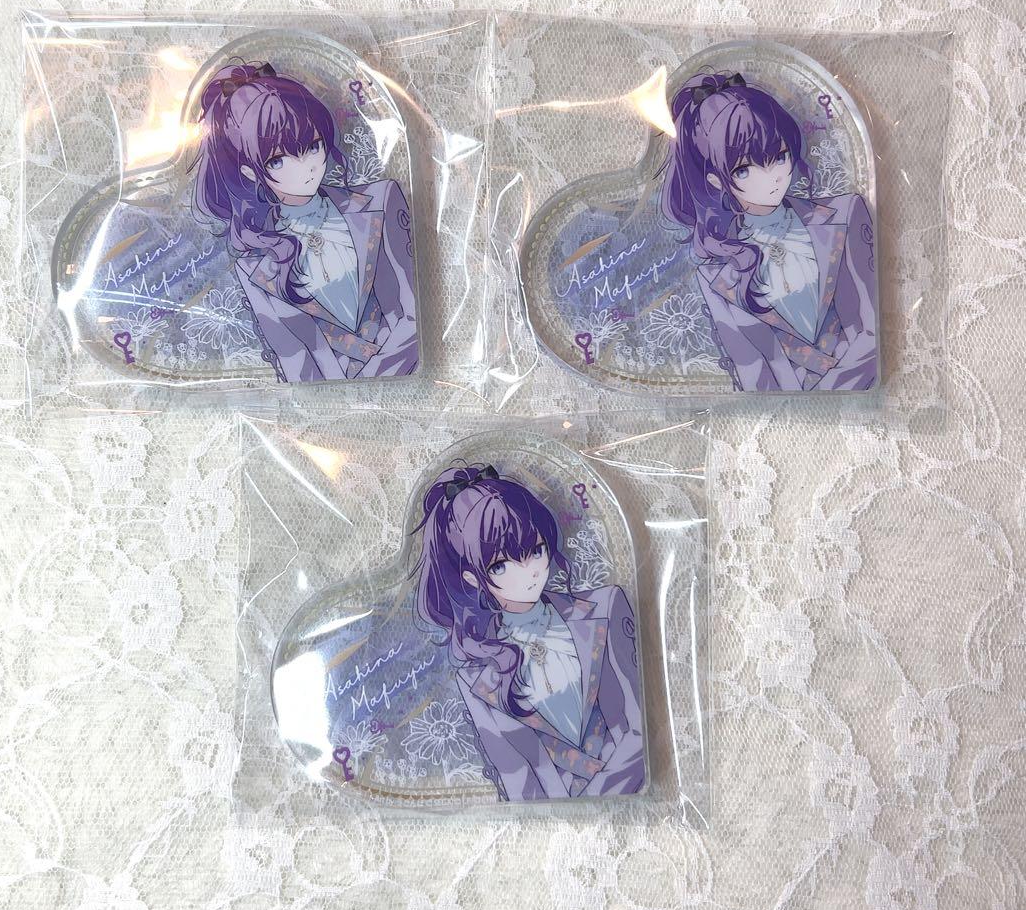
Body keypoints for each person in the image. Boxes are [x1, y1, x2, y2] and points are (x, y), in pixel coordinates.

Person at [412, 463, 645, 801]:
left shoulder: (606, 608)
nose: (530, 572)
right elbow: (520, 783)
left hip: (632, 798)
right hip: (559, 824)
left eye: (536, 550)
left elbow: (641, 732)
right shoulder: (477, 678)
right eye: (501, 565)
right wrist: (567, 824)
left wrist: (593, 804)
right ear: (472, 579)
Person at [191, 61, 418, 382]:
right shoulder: (255, 268)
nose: (306, 166)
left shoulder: (382, 201)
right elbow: (299, 366)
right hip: (338, 404)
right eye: (278, 160)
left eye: (312, 146)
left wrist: (373, 380)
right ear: (249, 172)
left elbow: (415, 314)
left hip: (411, 376)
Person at [660, 71, 877, 390]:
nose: (771, 176)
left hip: (861, 388)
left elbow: (871, 333)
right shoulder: (717, 275)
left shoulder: (846, 214)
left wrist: (828, 396)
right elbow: (756, 375)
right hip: (792, 413)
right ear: (716, 181)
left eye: (778, 156)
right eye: (744, 170)